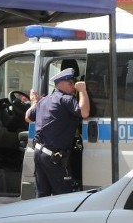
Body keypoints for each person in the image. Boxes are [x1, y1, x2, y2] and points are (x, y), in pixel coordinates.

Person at [25, 68, 90, 197]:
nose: (74, 86)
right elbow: (85, 112)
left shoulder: (44, 100)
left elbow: (27, 116)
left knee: (42, 197)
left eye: (74, 83)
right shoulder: (66, 99)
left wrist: (34, 102)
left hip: (40, 154)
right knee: (62, 198)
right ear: (60, 84)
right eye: (70, 83)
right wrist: (83, 91)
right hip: (55, 158)